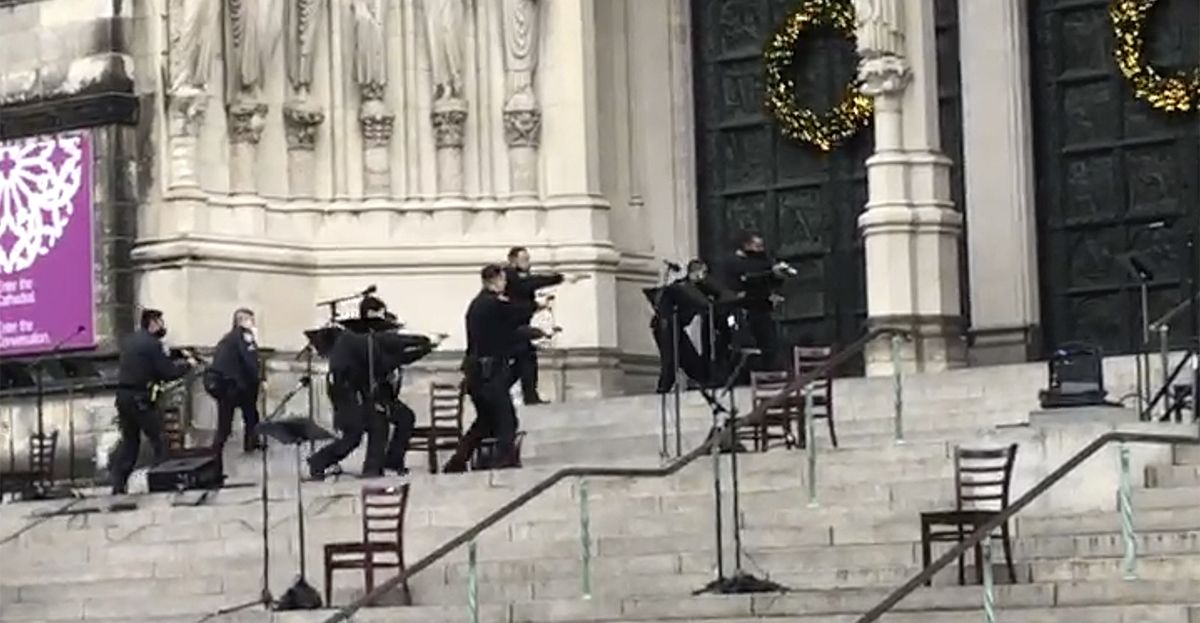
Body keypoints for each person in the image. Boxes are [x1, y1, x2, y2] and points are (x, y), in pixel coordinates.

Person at [308, 296, 444, 479]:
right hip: (351, 394)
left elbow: (395, 357)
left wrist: (426, 347)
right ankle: (320, 461)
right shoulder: (358, 338)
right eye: (379, 316)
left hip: (374, 393)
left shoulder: (370, 339)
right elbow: (392, 350)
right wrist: (425, 341)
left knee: (400, 418)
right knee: (355, 435)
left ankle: (385, 464)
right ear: (370, 314)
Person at [444, 264, 548, 473]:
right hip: (489, 373)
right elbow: (513, 314)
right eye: (503, 281)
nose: (505, 285)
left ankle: (457, 460)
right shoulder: (491, 304)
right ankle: (502, 462)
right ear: (495, 281)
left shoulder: (477, 305)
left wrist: (535, 332)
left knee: (485, 420)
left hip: (476, 373)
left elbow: (504, 330)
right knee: (507, 420)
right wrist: (538, 305)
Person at [110, 309, 195, 494]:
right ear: (153, 323)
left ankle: (118, 484)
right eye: (160, 322)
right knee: (159, 439)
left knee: (130, 442)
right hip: (140, 398)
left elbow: (146, 364)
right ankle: (162, 480)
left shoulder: (130, 341)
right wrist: (188, 365)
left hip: (123, 397)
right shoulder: (152, 344)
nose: (163, 326)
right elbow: (167, 372)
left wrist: (172, 357)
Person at [503, 246, 587, 405]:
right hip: (511, 326)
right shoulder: (510, 276)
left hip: (518, 325)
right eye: (524, 259)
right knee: (524, 359)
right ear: (513, 261)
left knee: (526, 359)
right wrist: (560, 278)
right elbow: (531, 284)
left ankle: (528, 395)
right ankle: (518, 393)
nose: (528, 263)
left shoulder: (517, 277)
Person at [720, 231, 794, 375]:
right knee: (749, 345)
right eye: (757, 246)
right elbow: (744, 280)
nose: (760, 249)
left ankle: (773, 372)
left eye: (761, 246)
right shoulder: (734, 262)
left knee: (771, 345)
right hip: (744, 311)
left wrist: (777, 282)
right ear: (746, 245)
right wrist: (769, 273)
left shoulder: (763, 260)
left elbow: (770, 282)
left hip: (764, 308)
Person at [651, 260, 722, 393]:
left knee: (688, 357)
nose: (705, 276)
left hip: (678, 326)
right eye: (702, 272)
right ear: (693, 273)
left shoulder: (701, 290)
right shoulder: (679, 288)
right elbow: (664, 305)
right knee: (670, 358)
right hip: (667, 325)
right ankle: (664, 387)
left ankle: (701, 379)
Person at [205, 308, 262, 460]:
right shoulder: (244, 337)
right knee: (248, 416)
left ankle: (217, 451)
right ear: (240, 321)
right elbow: (250, 361)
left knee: (231, 420)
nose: (253, 323)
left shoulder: (227, 338)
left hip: (225, 384)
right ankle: (247, 443)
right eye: (250, 320)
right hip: (238, 386)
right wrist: (258, 377)